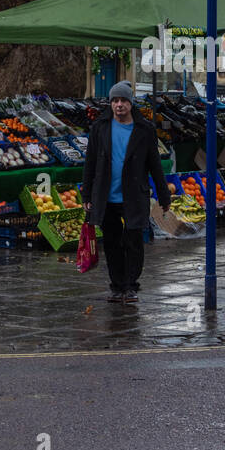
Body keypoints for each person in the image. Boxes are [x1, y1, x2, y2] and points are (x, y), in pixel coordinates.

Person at [82, 81, 170, 305]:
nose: (119, 105)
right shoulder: (100, 127)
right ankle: (117, 285)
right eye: (115, 101)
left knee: (133, 241)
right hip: (107, 195)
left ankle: (131, 285)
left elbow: (155, 164)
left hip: (134, 194)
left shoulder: (144, 129)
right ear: (110, 103)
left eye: (123, 101)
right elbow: (90, 163)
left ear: (131, 103)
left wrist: (163, 195)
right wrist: (87, 196)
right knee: (112, 243)